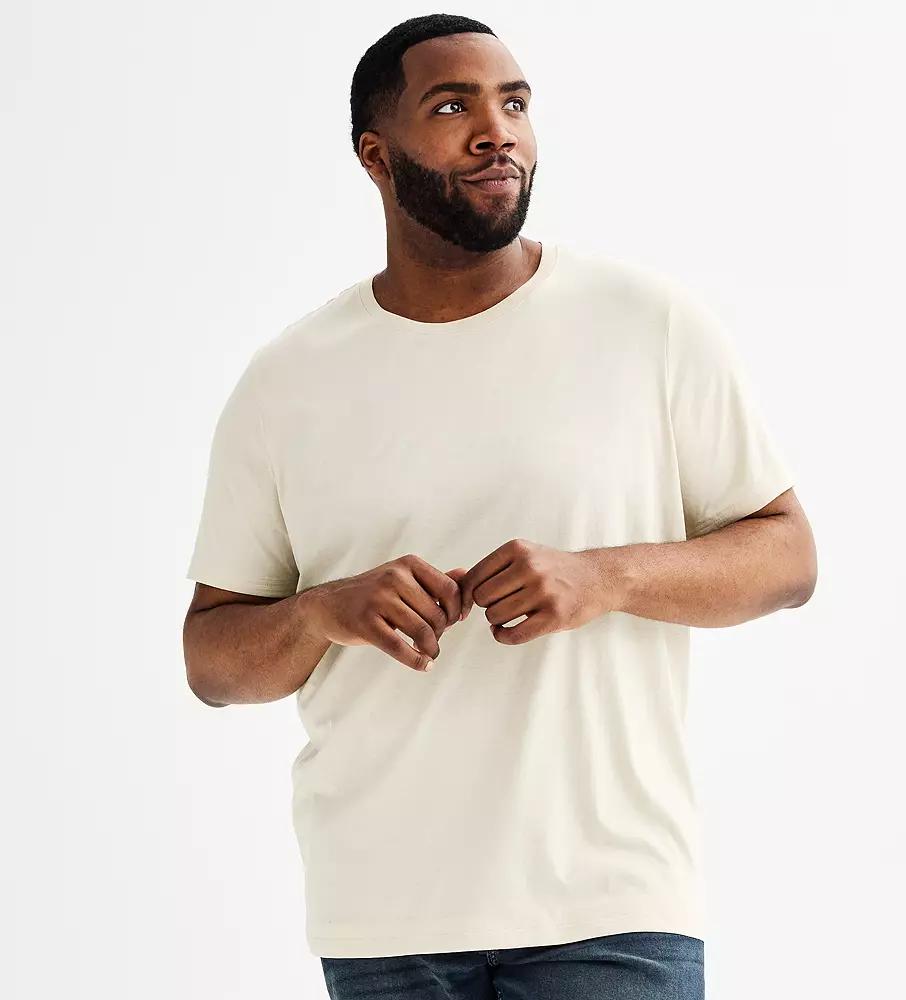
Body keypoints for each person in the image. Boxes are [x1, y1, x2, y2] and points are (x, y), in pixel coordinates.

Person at [182, 13, 818, 1000]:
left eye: (514, 104)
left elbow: (787, 556)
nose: (498, 132)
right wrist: (319, 613)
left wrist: (605, 576)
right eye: (453, 107)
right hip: (384, 924)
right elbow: (211, 661)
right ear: (374, 155)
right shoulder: (287, 383)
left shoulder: (646, 325)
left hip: (607, 910)